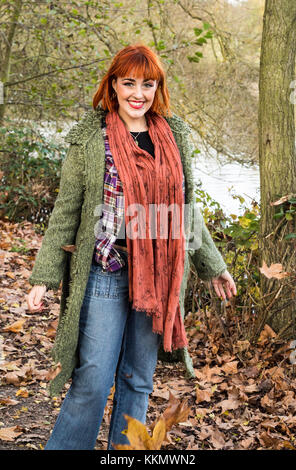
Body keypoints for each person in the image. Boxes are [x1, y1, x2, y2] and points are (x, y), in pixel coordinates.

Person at [26, 43, 237, 450]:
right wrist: (45, 277)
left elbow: (185, 211)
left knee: (139, 380)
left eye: (148, 84)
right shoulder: (91, 138)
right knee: (93, 380)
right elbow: (66, 211)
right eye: (129, 83)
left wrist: (213, 266)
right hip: (106, 270)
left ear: (158, 88)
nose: (138, 93)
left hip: (158, 278)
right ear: (113, 85)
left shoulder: (173, 136)